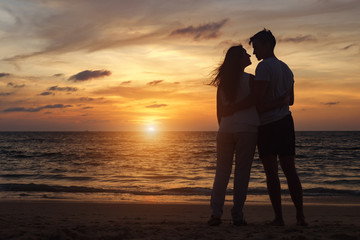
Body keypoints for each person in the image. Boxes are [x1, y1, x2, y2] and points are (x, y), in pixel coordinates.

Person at [249, 29, 307, 226]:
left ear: (267, 45)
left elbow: (258, 104)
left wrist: (273, 104)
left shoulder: (264, 68)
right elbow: (290, 101)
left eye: (256, 47)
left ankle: (279, 218)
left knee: (272, 172)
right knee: (290, 170)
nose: (254, 52)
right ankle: (300, 215)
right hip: (286, 122)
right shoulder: (286, 68)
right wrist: (280, 102)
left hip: (268, 125)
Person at [208, 45, 260, 226]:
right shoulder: (251, 80)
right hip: (247, 129)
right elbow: (256, 101)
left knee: (222, 173)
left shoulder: (223, 83)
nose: (248, 55)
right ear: (239, 60)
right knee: (242, 173)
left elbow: (219, 112)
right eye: (245, 54)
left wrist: (225, 126)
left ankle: (216, 214)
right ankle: (237, 215)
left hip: (225, 130)